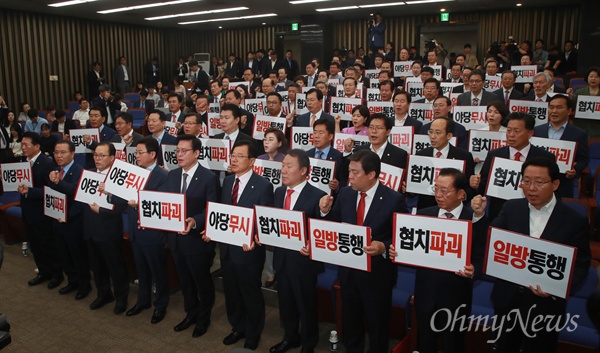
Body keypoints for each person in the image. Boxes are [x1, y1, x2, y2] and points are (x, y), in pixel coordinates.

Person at [471, 157, 591, 353]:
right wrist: (480, 216)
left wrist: (556, 288)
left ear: (555, 184)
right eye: (526, 181)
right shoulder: (511, 207)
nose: (531, 188)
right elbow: (490, 241)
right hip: (508, 298)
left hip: (546, 305)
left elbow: (581, 264)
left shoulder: (574, 220)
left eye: (539, 182)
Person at [319, 149, 407, 353]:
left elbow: (401, 235)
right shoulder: (345, 193)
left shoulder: (394, 199)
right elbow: (335, 225)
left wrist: (383, 246)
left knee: (377, 323)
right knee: (350, 321)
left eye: (355, 172)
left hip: (377, 275)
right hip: (349, 272)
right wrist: (325, 212)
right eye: (349, 171)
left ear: (372, 174)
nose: (349, 177)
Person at [390, 168, 486, 353]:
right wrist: (397, 250)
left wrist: (474, 270)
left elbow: (482, 257)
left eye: (445, 190)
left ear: (461, 193)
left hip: (456, 298)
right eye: (436, 189)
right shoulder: (424, 215)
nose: (439, 195)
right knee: (425, 343)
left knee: (453, 344)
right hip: (426, 295)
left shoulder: (474, 220)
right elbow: (410, 247)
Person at [204, 140, 273, 350]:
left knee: (250, 293)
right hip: (227, 249)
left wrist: (253, 237)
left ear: (252, 161)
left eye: (239, 156)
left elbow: (264, 220)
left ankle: (253, 332)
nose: (233, 159)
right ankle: (237, 327)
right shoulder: (228, 181)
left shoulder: (263, 185)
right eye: (232, 155)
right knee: (232, 292)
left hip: (248, 251)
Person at [163, 134, 221, 338]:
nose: (179, 155)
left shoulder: (209, 177)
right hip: (176, 241)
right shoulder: (171, 175)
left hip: (197, 242)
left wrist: (195, 221)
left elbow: (212, 209)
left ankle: (203, 318)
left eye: (184, 151)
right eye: (177, 151)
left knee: (201, 282)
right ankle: (191, 313)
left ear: (196, 153)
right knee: (185, 282)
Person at [269, 149, 327, 353]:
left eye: (289, 166)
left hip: (304, 264)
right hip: (282, 260)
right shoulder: (279, 192)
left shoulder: (318, 196)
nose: (283, 170)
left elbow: (323, 228)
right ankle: (290, 337)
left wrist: (324, 212)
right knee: (286, 303)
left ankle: (309, 344)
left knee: (306, 305)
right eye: (282, 165)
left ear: (303, 170)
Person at [469, 113, 555, 221]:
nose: (511, 135)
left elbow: (553, 190)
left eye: (517, 131)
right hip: (499, 213)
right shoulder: (494, 155)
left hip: (534, 213)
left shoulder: (545, 157)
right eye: (509, 130)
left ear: (530, 133)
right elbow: (483, 186)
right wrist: (475, 184)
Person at [121, 138, 169, 324]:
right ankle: (143, 301)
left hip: (152, 232)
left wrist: (138, 204)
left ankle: (160, 305)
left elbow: (161, 205)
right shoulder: (133, 173)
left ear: (152, 154)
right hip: (135, 229)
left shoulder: (162, 177)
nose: (137, 156)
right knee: (141, 270)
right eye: (136, 152)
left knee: (157, 271)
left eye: (140, 152)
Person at [84, 142, 129, 315]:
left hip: (109, 229)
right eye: (95, 155)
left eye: (102, 155)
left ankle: (121, 298)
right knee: (97, 266)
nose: (98, 158)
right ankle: (104, 294)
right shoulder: (89, 173)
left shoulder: (119, 177)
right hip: (90, 227)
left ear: (112, 158)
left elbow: (121, 206)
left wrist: (108, 194)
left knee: (115, 267)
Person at [47, 140, 91, 301]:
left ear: (72, 154)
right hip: (57, 219)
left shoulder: (79, 171)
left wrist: (66, 215)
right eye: (56, 152)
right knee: (64, 254)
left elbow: (77, 194)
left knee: (77, 255)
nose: (58, 156)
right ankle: (72, 281)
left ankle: (84, 285)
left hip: (74, 221)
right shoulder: (55, 171)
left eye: (62, 152)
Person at [17, 132, 62, 288]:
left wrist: (29, 191)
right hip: (27, 210)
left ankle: (57, 275)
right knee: (35, 244)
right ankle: (43, 271)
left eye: (26, 145)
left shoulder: (47, 163)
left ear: (37, 146)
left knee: (46, 244)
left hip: (42, 212)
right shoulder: (24, 162)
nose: (23, 148)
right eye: (21, 145)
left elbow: (51, 190)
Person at [534, 95, 588, 198]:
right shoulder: (537, 131)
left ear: (569, 111)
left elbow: (583, 159)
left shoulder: (579, 134)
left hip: (563, 184)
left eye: (559, 107)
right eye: (551, 107)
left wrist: (575, 170)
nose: (554, 111)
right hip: (538, 182)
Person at [416, 116, 475, 209]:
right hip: (426, 209)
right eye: (430, 132)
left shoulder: (464, 156)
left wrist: (465, 194)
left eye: (438, 133)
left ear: (449, 136)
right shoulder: (421, 155)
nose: (433, 136)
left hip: (452, 209)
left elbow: (468, 189)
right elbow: (414, 188)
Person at [343, 113, 408, 169]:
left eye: (379, 128)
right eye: (371, 127)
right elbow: (347, 174)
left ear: (388, 132)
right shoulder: (359, 151)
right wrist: (347, 151)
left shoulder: (399, 155)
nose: (374, 131)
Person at [307, 118, 348, 194]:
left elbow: (344, 181)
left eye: (321, 133)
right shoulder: (307, 155)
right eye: (315, 132)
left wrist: (337, 186)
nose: (316, 136)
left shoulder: (339, 157)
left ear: (330, 137)